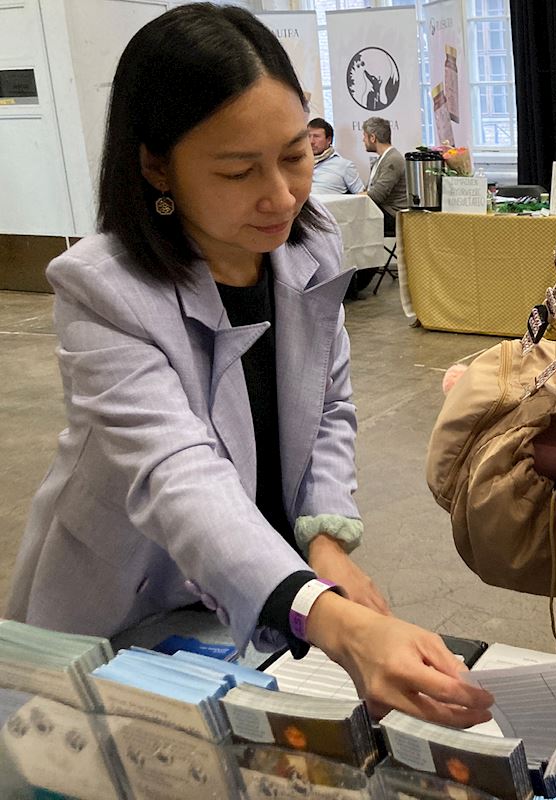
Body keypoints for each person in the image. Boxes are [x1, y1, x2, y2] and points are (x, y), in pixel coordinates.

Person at [5, 3, 491, 728]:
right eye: (239, 171)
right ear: (156, 165)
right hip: (127, 606)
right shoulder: (105, 291)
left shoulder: (308, 247)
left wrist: (323, 541)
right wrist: (332, 619)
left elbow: (327, 407)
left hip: (261, 587)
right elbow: (178, 476)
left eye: (295, 156)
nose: (282, 196)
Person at [362, 116, 408, 236]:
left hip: (392, 215)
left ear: (373, 138)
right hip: (383, 212)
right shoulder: (382, 160)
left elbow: (376, 195)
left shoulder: (393, 159)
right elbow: (369, 191)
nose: (363, 140)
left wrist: (351, 199)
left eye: (364, 136)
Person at [308, 117, 366, 195]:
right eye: (308, 136)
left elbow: (362, 196)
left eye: (316, 136)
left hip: (327, 202)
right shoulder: (298, 164)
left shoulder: (344, 165)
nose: (311, 141)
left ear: (329, 140)